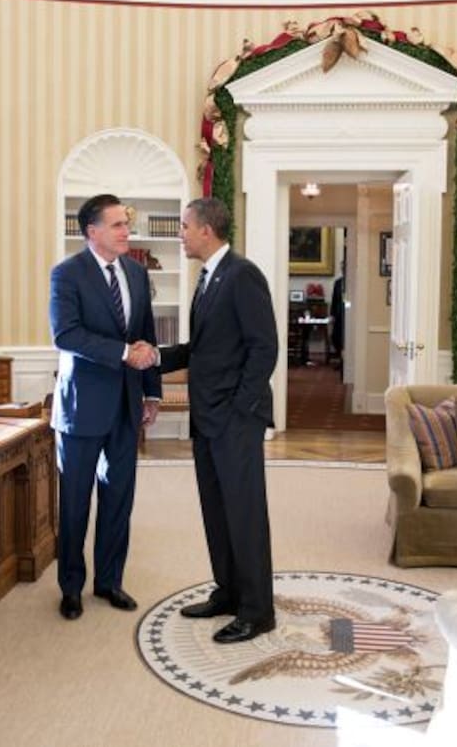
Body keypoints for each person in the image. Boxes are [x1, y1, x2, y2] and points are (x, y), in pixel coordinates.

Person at [148, 196, 279, 644]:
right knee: (217, 511)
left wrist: (240, 409)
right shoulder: (209, 278)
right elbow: (201, 351)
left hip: (234, 420)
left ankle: (258, 611)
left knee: (244, 514)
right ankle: (228, 592)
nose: (180, 234)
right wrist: (151, 359)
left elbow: (265, 347)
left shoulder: (243, 275)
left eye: (184, 226)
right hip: (208, 418)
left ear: (206, 229)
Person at [49, 194, 161, 621]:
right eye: (116, 225)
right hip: (81, 408)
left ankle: (110, 581)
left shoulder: (135, 271)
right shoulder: (67, 274)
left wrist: (151, 392)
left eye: (125, 224)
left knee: (119, 499)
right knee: (75, 502)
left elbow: (145, 336)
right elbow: (66, 335)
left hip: (126, 406)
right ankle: (71, 587)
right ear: (91, 231)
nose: (124, 231)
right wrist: (120, 353)